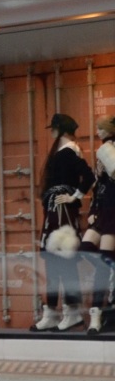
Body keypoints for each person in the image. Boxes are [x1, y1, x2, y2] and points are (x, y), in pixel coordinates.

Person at [33, 113, 95, 332]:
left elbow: (89, 177)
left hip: (63, 215)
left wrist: (74, 196)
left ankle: (71, 312)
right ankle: (52, 312)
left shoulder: (68, 151)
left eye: (54, 128)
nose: (51, 131)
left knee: (63, 263)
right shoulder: (64, 150)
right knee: (52, 262)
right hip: (55, 212)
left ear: (60, 129)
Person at [82, 116, 115, 333]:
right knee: (85, 248)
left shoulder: (108, 150)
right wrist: (92, 211)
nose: (97, 131)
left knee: (103, 263)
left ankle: (96, 314)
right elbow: (98, 185)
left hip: (113, 210)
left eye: (101, 128)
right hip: (102, 210)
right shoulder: (103, 150)